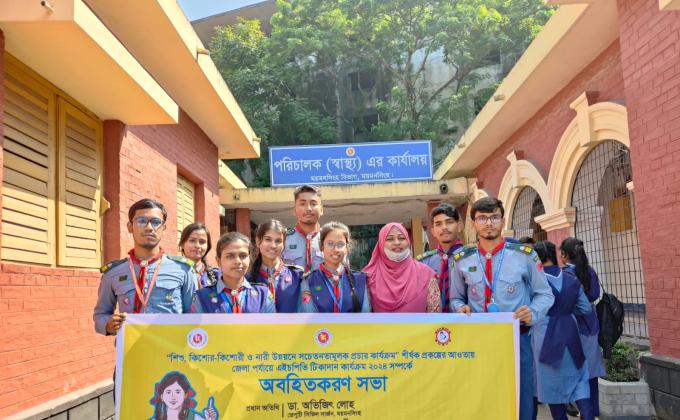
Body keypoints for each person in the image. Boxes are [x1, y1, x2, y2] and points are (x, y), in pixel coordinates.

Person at [450, 196, 554, 420]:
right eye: (482, 218)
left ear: (503, 221)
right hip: (478, 341)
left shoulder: (524, 255)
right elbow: (456, 298)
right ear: (473, 224)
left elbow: (544, 294)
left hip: (516, 339)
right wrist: (460, 308)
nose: (489, 223)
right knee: (482, 396)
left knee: (521, 397)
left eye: (494, 217)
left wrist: (533, 312)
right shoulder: (461, 259)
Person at [94, 199, 196, 336]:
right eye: (141, 221)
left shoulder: (183, 270)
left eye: (156, 222)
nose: (149, 227)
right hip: (130, 347)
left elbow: (195, 315)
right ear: (130, 227)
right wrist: (108, 324)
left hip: (172, 347)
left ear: (163, 228)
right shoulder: (113, 273)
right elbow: (100, 314)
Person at [532, 241, 594, 420]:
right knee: (579, 379)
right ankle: (588, 416)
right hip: (570, 332)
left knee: (552, 386)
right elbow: (585, 308)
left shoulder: (535, 281)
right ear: (555, 255)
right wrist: (566, 311)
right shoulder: (572, 279)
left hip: (545, 336)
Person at [560, 237, 606, 417]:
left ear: (564, 255)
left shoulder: (564, 274)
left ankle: (581, 408)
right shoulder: (589, 271)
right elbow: (595, 294)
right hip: (590, 324)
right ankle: (592, 412)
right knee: (591, 371)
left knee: (573, 370)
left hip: (570, 324)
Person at [365, 223, 440, 312]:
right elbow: (364, 314)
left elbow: (435, 314)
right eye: (390, 239)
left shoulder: (426, 274)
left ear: (408, 241)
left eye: (401, 238)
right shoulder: (368, 276)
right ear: (381, 244)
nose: (397, 243)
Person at [192, 232, 275, 314]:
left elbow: (272, 323)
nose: (238, 261)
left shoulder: (263, 295)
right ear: (218, 261)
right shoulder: (202, 297)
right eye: (230, 256)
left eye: (243, 256)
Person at [299, 221, 371, 313]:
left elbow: (365, 314)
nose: (336, 249)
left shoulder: (359, 280)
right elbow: (309, 314)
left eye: (340, 244)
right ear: (321, 246)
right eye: (330, 244)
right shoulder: (308, 280)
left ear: (347, 248)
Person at [248, 219, 304, 313]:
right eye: (268, 239)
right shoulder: (246, 278)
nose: (273, 245)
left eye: (278, 241)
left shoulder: (297, 275)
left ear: (284, 244)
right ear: (258, 241)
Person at [417, 203, 463, 312]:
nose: (444, 227)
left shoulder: (472, 258)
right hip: (434, 321)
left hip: (467, 319)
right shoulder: (424, 262)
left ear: (459, 226)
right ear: (433, 231)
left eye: (449, 222)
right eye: (438, 224)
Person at [282, 185, 324, 273]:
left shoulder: (330, 239)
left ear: (321, 210)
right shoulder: (283, 239)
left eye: (313, 204)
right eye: (302, 204)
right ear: (294, 210)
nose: (308, 208)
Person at [149, 371, 218, 420]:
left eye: (177, 392)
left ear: (185, 395)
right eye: (168, 392)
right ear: (162, 397)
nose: (173, 397)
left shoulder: (194, 418)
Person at [179, 223, 219, 289]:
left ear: (208, 246)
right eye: (192, 241)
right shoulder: (171, 272)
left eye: (202, 242)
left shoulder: (217, 276)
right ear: (182, 244)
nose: (197, 245)